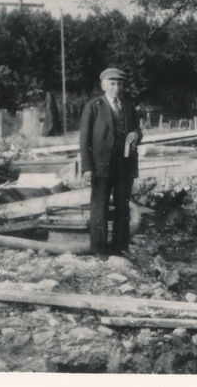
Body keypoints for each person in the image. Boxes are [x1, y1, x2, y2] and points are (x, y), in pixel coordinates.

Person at [80, 68, 142, 258]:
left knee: (123, 207)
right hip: (101, 167)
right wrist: (87, 168)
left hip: (124, 165)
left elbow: (137, 129)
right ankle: (99, 249)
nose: (116, 87)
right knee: (100, 207)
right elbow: (85, 140)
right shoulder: (94, 106)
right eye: (112, 83)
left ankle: (120, 247)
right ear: (103, 85)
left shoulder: (128, 106)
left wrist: (136, 134)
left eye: (120, 84)